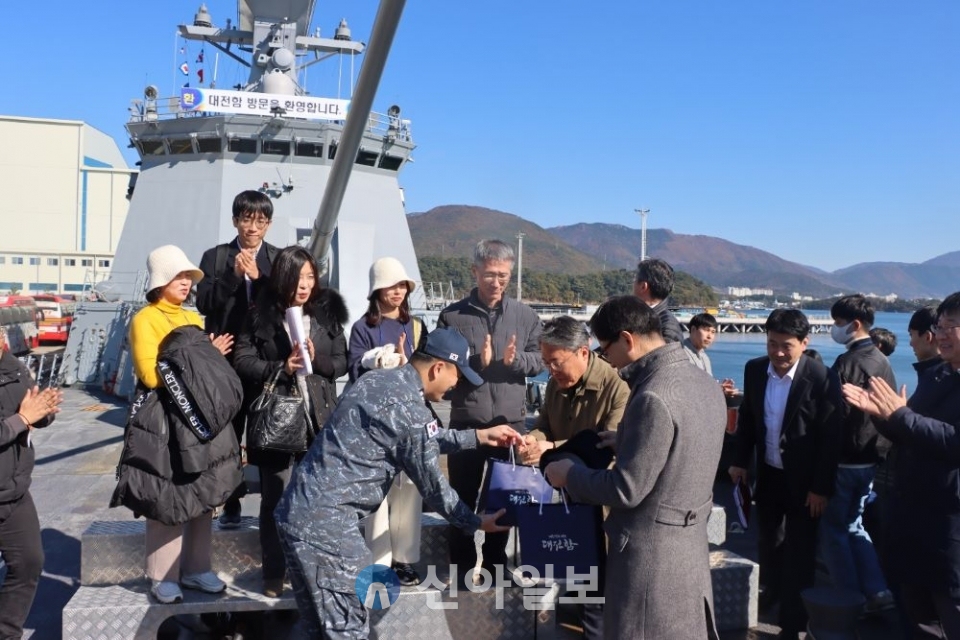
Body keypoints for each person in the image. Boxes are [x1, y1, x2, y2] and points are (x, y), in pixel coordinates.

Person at [274, 328, 522, 639]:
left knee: (316, 625)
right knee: (348, 629)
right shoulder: (409, 409)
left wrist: (478, 436)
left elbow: (419, 438)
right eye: (457, 375)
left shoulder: (377, 380)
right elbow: (432, 484)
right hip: (328, 528)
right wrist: (474, 521)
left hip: (296, 512)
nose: (457, 385)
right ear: (438, 368)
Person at [544, 295, 726, 639]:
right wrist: (627, 438)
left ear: (628, 339)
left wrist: (569, 474)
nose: (607, 361)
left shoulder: (652, 395)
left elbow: (626, 489)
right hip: (689, 550)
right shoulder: (702, 381)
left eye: (606, 350)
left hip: (649, 563)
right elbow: (683, 451)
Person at [841, 291, 960, 638]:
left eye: (952, 325)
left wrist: (899, 414)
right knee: (918, 619)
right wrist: (881, 416)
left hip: (950, 529)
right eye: (940, 324)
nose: (941, 333)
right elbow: (910, 431)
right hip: (915, 520)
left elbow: (953, 442)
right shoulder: (939, 376)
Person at [124, 245, 238, 604]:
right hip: (163, 421)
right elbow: (148, 373)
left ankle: (197, 568)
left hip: (195, 419)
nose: (187, 283)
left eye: (188, 277)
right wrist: (201, 356)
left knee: (202, 493)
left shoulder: (193, 319)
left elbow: (194, 368)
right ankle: (163, 575)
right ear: (160, 282)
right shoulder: (145, 318)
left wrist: (207, 356)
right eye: (179, 277)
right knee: (167, 494)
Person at [232, 246, 348, 598]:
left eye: (310, 276)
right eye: (298, 277)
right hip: (277, 419)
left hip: (319, 416)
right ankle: (274, 573)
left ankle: (313, 570)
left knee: (318, 498)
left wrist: (320, 359)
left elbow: (343, 361)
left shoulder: (327, 314)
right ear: (283, 277)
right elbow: (242, 359)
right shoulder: (259, 314)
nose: (305, 284)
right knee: (276, 498)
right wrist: (281, 367)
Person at [729, 308, 843, 640]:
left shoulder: (822, 377)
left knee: (801, 551)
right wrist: (739, 461)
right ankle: (772, 594)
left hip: (806, 483)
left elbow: (830, 437)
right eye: (772, 343)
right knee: (768, 541)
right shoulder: (754, 370)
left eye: (786, 346)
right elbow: (749, 419)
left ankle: (792, 623)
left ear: (804, 343)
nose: (778, 353)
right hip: (769, 473)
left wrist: (821, 488)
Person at [437, 239, 542, 578]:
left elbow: (539, 360)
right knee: (461, 501)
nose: (496, 283)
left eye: (504, 276)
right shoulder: (452, 315)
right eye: (490, 275)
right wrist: (473, 362)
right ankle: (463, 568)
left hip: (511, 424)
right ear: (475, 271)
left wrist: (515, 361)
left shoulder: (525, 315)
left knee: (506, 500)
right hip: (467, 423)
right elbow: (439, 364)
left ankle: (497, 567)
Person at [520, 315, 629, 639]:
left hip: (605, 505)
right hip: (569, 502)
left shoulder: (617, 387)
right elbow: (544, 424)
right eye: (546, 363)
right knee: (583, 588)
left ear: (583, 352)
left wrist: (551, 446)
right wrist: (533, 439)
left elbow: (607, 445)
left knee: (599, 596)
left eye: (555, 362)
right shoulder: (557, 382)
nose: (550, 371)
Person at [197, 190, 280, 529]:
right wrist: (232, 276)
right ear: (235, 221)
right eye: (246, 219)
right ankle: (230, 499)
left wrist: (259, 279)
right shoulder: (215, 258)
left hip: (263, 360)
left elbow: (284, 303)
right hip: (226, 358)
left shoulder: (277, 260)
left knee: (267, 430)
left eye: (260, 221)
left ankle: (271, 500)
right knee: (228, 431)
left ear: (268, 224)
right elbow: (204, 304)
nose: (253, 227)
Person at [348, 257, 428, 587]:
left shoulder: (417, 326)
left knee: (409, 489)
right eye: (391, 285)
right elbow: (353, 369)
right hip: (373, 422)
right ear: (376, 289)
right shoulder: (362, 328)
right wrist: (375, 361)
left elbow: (426, 370)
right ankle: (378, 561)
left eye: (402, 286)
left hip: (408, 418)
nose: (397, 292)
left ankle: (405, 560)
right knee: (377, 494)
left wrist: (408, 364)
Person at [820, 295, 896, 612]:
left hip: (845, 460)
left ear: (854, 324)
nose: (834, 329)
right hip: (872, 457)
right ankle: (878, 591)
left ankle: (849, 600)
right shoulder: (883, 361)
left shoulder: (846, 363)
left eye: (837, 323)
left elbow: (830, 417)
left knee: (834, 531)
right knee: (854, 525)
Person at [0, 327, 62, 639]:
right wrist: (23, 419)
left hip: (13, 491)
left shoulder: (13, 369)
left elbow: (29, 408)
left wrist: (44, 411)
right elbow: (16, 420)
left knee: (28, 562)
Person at [633, 258, 683, 343]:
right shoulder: (637, 316)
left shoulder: (667, 329)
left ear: (643, 286)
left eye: (635, 279)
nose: (633, 284)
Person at [908, 306, 942, 378]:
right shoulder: (950, 372)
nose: (910, 343)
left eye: (911, 335)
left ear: (927, 337)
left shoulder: (934, 379)